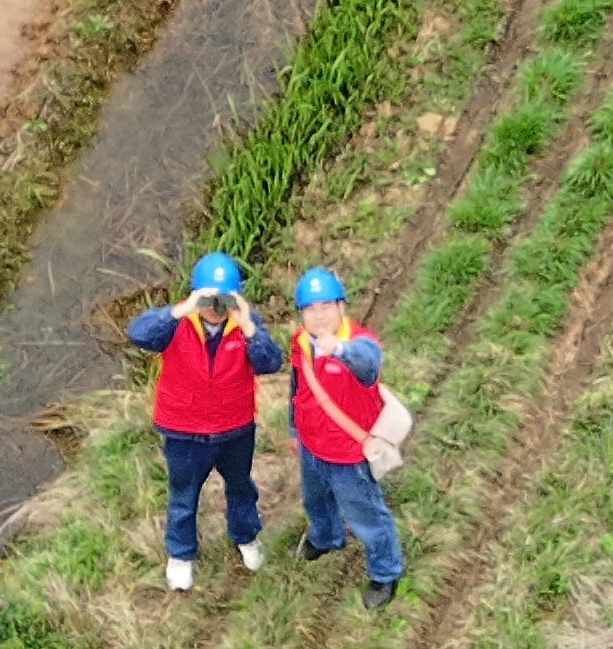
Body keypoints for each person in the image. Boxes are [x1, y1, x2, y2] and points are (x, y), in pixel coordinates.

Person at [124, 250, 283, 591]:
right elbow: (138, 334)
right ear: (195, 293)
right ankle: (180, 555)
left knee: (241, 487)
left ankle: (246, 536)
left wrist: (250, 328)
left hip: (235, 427)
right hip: (184, 431)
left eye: (224, 298)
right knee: (184, 496)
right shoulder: (175, 322)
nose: (216, 306)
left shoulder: (245, 323)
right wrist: (181, 309)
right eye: (209, 297)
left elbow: (271, 363)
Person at [285, 266, 411, 611]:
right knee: (316, 500)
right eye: (310, 309)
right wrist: (295, 430)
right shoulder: (300, 342)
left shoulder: (361, 343)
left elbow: (368, 363)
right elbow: (297, 389)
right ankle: (326, 537)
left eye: (326, 306)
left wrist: (338, 349)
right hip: (312, 446)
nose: (319, 315)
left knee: (367, 516)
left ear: (342, 307)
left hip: (349, 454)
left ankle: (385, 572)